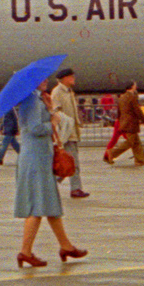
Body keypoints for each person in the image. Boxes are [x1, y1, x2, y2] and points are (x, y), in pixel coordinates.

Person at [13, 84, 86, 268]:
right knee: (37, 206)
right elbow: (35, 128)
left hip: (42, 157)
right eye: (42, 79)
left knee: (51, 204)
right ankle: (25, 252)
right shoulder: (30, 100)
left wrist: (50, 108)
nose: (46, 80)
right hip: (35, 159)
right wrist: (52, 121)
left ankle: (65, 246)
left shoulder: (38, 99)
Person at [50, 68, 88, 198]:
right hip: (66, 134)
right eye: (71, 77)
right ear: (64, 79)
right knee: (73, 162)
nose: (73, 78)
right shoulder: (57, 92)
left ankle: (51, 184)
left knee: (68, 162)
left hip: (73, 132)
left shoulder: (70, 92)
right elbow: (55, 113)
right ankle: (75, 189)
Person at [105, 82, 144, 166]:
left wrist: (119, 120)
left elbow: (119, 111)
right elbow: (138, 111)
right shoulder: (132, 97)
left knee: (136, 142)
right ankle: (112, 153)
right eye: (135, 85)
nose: (136, 86)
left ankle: (139, 160)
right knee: (130, 142)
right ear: (132, 87)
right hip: (131, 123)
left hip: (124, 122)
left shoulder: (122, 97)